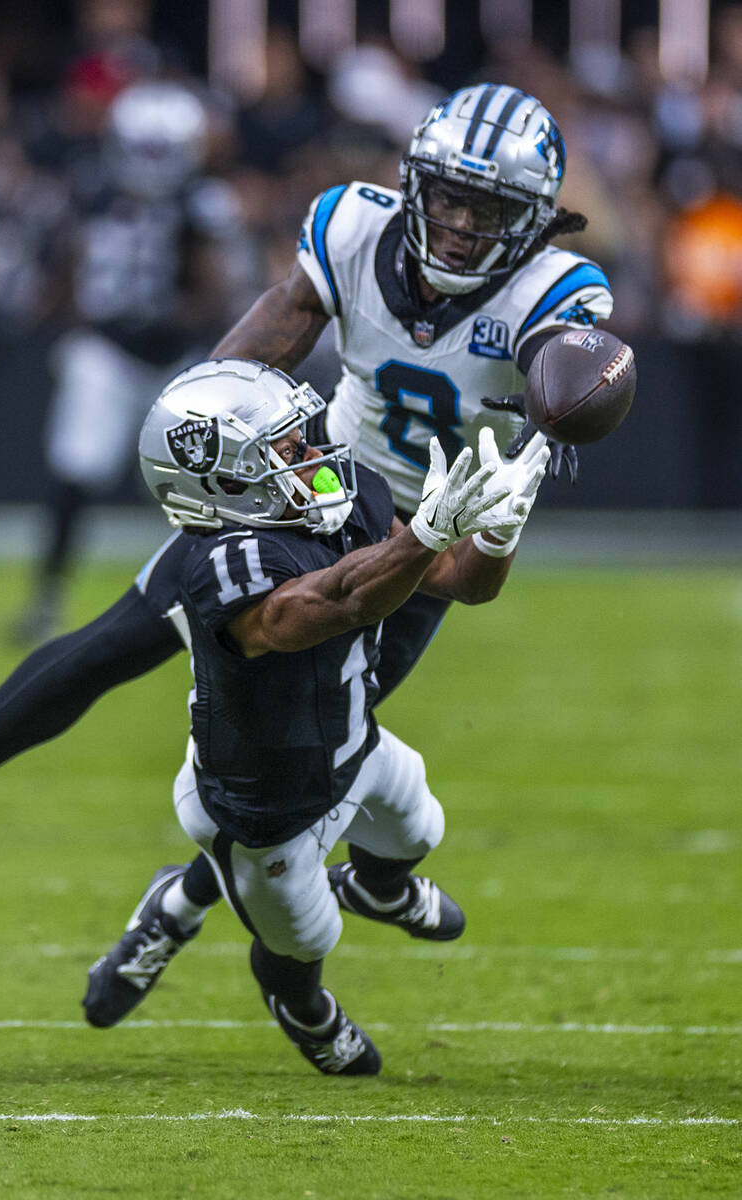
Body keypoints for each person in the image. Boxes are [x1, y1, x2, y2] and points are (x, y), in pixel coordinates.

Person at [0, 84, 613, 923]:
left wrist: (572, 394)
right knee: (112, 641)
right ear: (413, 182)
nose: (457, 224)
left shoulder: (555, 290)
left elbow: (488, 539)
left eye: (486, 208)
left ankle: (194, 904)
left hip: (421, 526)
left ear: (532, 218)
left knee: (295, 762)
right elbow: (281, 321)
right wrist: (210, 427)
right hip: (311, 485)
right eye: (445, 196)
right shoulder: (352, 226)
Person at [83, 358, 549, 1072]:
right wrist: (421, 535)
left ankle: (373, 888)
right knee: (301, 945)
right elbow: (331, 606)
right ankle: (304, 1011)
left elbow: (459, 583)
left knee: (420, 827)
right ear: (222, 481)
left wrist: (493, 533)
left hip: (354, 744)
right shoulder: (219, 564)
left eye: (298, 436)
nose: (309, 453)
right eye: (281, 447)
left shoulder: (345, 492)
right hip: (263, 814)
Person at [7, 78, 248, 643]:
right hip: (107, 348)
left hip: (175, 353)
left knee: (202, 484)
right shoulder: (94, 191)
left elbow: (218, 284)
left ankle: (224, 596)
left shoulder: (201, 202)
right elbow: (64, 263)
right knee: (76, 467)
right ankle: (46, 598)